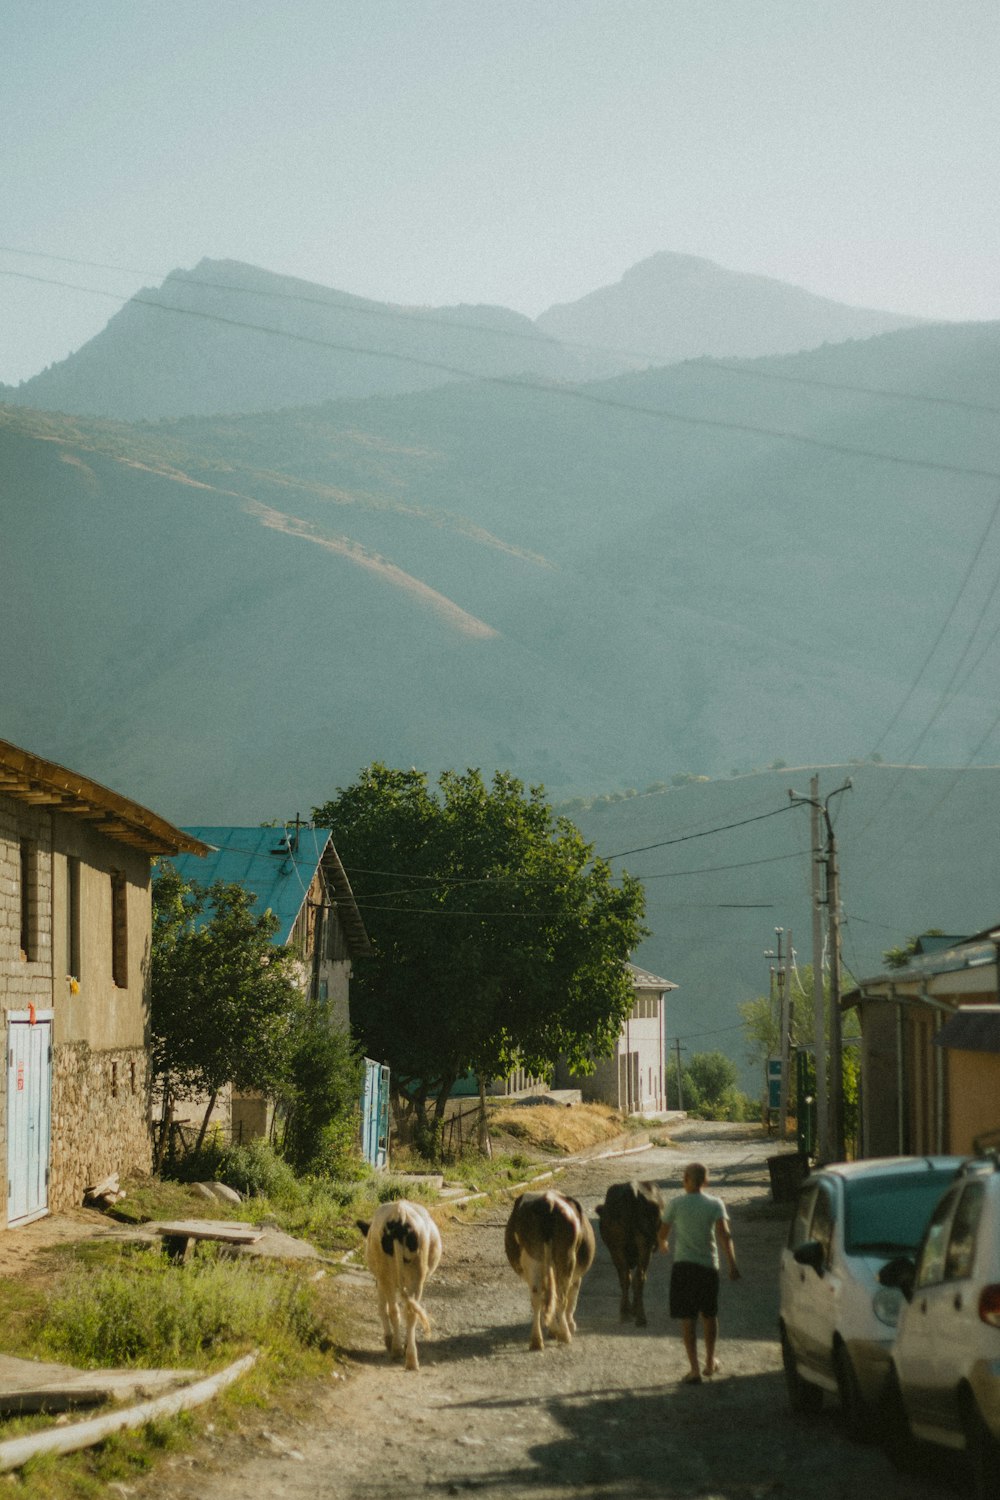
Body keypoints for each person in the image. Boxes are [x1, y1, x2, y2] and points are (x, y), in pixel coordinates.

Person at [657, 1160, 740, 1383]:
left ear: (685, 1180)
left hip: (683, 1268)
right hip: (708, 1267)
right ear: (706, 1181)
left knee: (687, 1319)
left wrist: (663, 1244)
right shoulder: (715, 1204)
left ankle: (694, 1370)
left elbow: (662, 1234)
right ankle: (710, 1361)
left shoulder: (675, 1204)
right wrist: (732, 1264)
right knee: (709, 1316)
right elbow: (725, 1235)